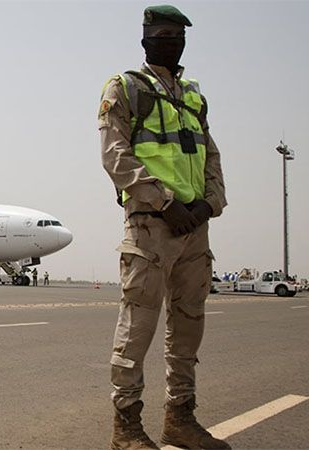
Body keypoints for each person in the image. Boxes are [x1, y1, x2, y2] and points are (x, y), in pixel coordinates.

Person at [98, 5, 229, 449]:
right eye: (162, 35)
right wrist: (165, 202)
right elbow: (115, 157)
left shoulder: (194, 95)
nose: (171, 42)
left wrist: (211, 204)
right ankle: (127, 428)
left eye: (178, 36)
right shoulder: (125, 88)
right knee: (137, 329)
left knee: (188, 329)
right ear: (145, 40)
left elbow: (211, 156)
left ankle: (181, 418)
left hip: (195, 229)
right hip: (152, 227)